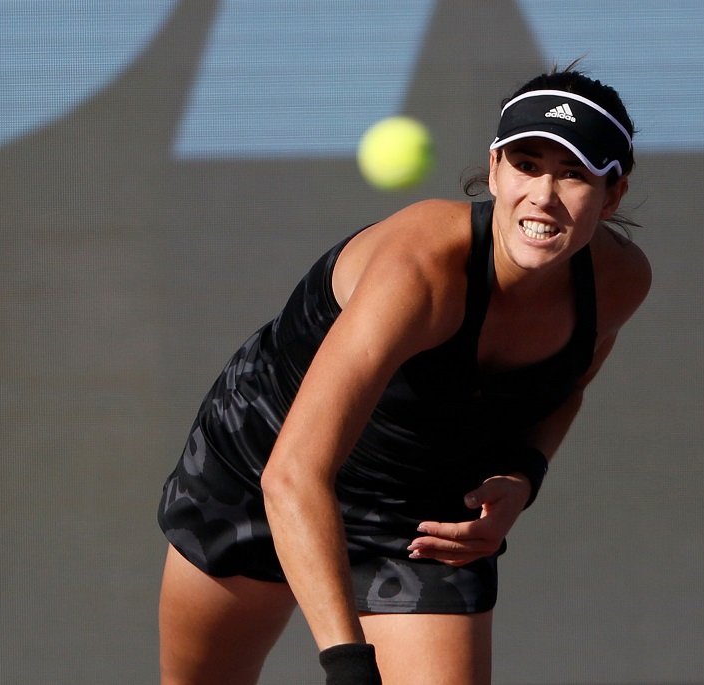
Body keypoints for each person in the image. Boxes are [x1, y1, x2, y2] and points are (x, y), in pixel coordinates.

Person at [157, 63, 651, 685]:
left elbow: (565, 389)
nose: (544, 197)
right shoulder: (420, 270)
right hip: (262, 468)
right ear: (495, 170)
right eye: (526, 165)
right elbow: (294, 473)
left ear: (613, 195)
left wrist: (524, 475)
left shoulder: (620, 283)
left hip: (418, 509)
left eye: (574, 175)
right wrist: (347, 665)